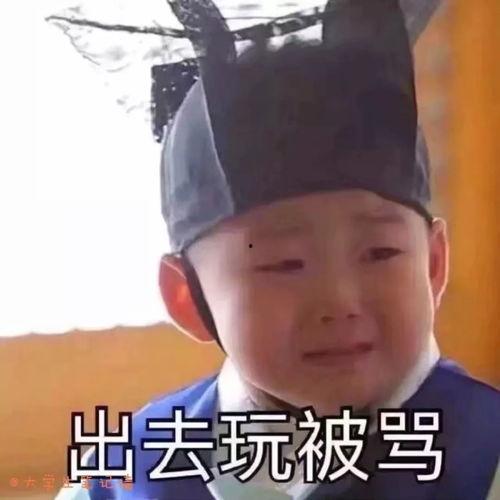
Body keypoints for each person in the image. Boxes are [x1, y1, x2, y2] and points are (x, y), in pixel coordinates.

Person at [59, 0, 500, 498]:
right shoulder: (131, 469)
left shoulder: (486, 457)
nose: (340, 302)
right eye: (285, 264)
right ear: (187, 299)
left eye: (380, 253)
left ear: (434, 265)